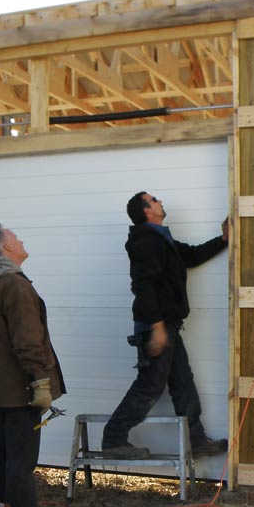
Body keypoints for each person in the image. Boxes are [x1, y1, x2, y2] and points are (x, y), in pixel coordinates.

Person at [100, 192, 230, 460]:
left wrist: (224, 240)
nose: (161, 201)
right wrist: (157, 326)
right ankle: (113, 439)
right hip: (155, 325)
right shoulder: (145, 241)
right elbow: (143, 285)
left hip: (167, 325)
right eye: (155, 200)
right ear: (147, 210)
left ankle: (195, 440)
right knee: (150, 385)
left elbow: (191, 256)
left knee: (182, 382)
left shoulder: (161, 239)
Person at [0, 224, 66, 507]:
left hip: (1, 392)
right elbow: (28, 341)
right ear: (5, 249)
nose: (22, 240)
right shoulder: (15, 286)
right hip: (20, 392)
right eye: (16, 238)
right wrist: (40, 382)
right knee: (20, 462)